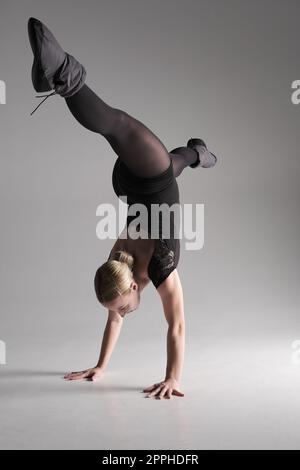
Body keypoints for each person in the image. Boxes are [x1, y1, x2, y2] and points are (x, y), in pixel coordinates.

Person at [27, 17, 218, 399]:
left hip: (133, 180)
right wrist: (100, 367)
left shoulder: (143, 264)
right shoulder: (141, 270)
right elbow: (135, 320)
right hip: (149, 176)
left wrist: (172, 379)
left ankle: (65, 71)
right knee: (171, 164)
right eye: (123, 308)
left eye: (123, 306)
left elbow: (175, 326)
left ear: (132, 286)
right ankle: (199, 152)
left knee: (114, 125)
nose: (124, 312)